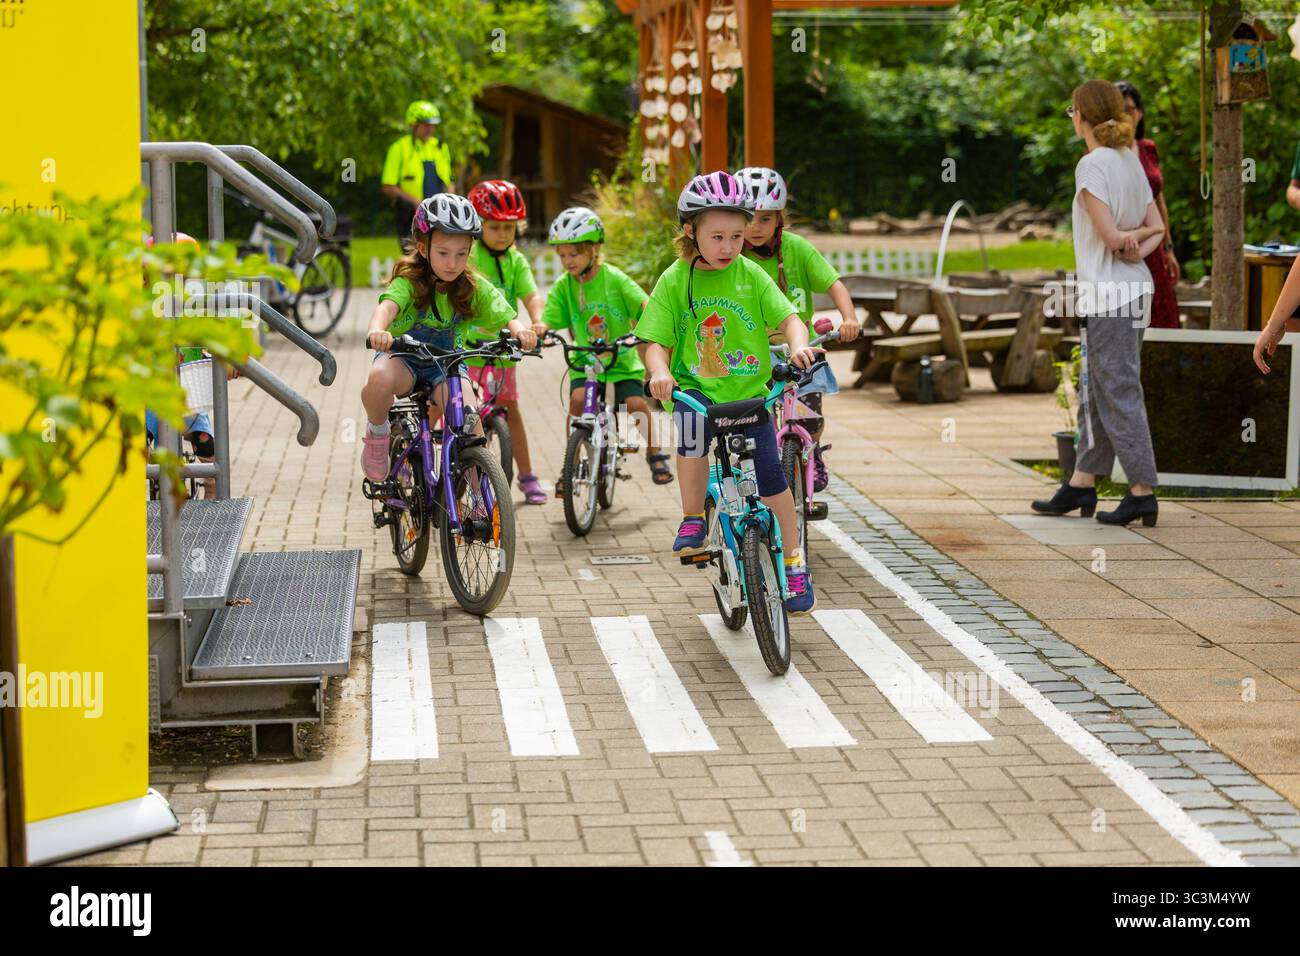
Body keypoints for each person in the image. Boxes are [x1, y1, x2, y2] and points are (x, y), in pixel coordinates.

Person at [636, 171, 819, 614]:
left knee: (775, 486)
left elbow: (790, 317)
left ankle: (794, 561)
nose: (729, 246)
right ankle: (693, 517)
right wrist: (659, 372)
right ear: (689, 231)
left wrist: (798, 345)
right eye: (717, 236)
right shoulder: (675, 280)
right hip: (698, 394)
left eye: (737, 235)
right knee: (693, 438)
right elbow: (653, 341)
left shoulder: (751, 274)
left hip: (749, 397)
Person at [1032, 79, 1166, 527]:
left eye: (1072, 111)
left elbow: (1110, 239)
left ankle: (1141, 491)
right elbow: (1157, 229)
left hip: (1110, 294)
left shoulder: (1092, 166)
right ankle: (1082, 482)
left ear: (1082, 116)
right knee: (1096, 387)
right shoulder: (1129, 160)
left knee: (1117, 389)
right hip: (1133, 289)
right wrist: (1138, 247)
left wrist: (1126, 244)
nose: (1071, 118)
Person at [360, 194, 537, 480]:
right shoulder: (409, 282)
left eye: (461, 253)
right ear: (423, 247)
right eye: (443, 253)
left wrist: (521, 333)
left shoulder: (470, 285)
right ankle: (378, 434)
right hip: (404, 360)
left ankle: (482, 503)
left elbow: (505, 314)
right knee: (379, 377)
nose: (453, 263)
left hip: (446, 367)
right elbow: (387, 307)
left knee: (470, 421)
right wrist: (377, 331)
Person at [734, 165, 861, 491]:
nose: (755, 228)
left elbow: (834, 284)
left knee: (810, 415)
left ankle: (811, 449)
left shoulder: (797, 248)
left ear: (780, 218)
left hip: (799, 347)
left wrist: (849, 318)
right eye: (748, 218)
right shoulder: (732, 257)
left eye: (766, 218)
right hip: (754, 351)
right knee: (748, 414)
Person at [542, 206, 671, 490]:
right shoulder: (565, 286)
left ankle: (655, 452)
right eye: (562, 255)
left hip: (620, 357)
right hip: (585, 360)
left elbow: (644, 303)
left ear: (593, 250)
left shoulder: (614, 278)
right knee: (577, 402)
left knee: (637, 405)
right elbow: (548, 317)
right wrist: (539, 329)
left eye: (574, 254)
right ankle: (571, 461)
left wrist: (649, 327)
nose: (567, 261)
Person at [463, 180, 550, 505]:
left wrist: (537, 320)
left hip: (502, 351)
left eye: (509, 228)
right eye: (495, 227)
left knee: (511, 411)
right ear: (478, 226)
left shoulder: (516, 261)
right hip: (468, 350)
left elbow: (531, 295)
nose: (502, 234)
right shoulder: (469, 256)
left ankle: (527, 477)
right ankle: (461, 470)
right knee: (464, 415)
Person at [1115, 80, 1180, 329]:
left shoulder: (1148, 149)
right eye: (1118, 110)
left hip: (1154, 246)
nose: (1124, 116)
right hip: (1123, 246)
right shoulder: (1102, 155)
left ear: (1139, 113)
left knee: (1163, 319)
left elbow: (1159, 199)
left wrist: (1169, 248)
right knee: (1129, 322)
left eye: (1129, 109)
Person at [381, 101, 454, 245]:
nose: (430, 129)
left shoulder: (440, 147)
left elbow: (450, 181)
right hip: (410, 215)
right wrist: (414, 201)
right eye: (426, 125)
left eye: (433, 125)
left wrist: (451, 200)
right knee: (413, 256)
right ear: (413, 125)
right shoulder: (399, 148)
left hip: (439, 213)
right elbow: (388, 186)